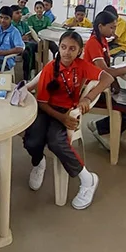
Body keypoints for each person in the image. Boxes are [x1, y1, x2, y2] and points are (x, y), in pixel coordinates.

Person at [25, 30, 114, 210]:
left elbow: (108, 78)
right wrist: (62, 119)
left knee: (56, 141)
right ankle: (38, 162)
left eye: (72, 49)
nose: (67, 52)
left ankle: (88, 179)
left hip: (68, 111)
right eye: (63, 47)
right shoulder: (50, 68)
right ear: (59, 48)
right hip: (47, 110)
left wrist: (87, 98)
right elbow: (42, 103)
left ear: (80, 51)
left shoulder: (81, 65)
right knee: (32, 140)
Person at [82, 10, 126, 144]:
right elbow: (106, 71)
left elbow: (107, 68)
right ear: (100, 26)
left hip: (105, 86)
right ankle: (104, 131)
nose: (114, 31)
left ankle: (100, 126)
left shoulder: (102, 41)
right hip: (94, 91)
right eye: (111, 27)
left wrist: (115, 82)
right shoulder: (93, 43)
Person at [11, 5, 36, 79]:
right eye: (17, 13)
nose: (20, 15)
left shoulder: (23, 24)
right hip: (15, 46)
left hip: (25, 44)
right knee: (30, 47)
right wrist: (20, 39)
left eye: (20, 13)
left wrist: (26, 37)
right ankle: (31, 72)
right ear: (11, 14)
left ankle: (28, 75)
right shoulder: (10, 25)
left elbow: (28, 35)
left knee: (28, 52)